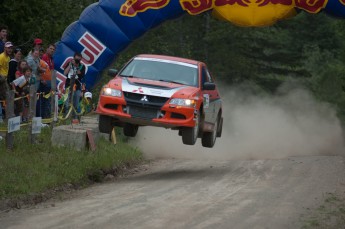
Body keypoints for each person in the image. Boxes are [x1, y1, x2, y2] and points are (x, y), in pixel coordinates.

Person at [63, 52, 85, 120]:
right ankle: (66, 118)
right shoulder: (69, 64)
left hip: (77, 86)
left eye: (78, 59)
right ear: (73, 58)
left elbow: (81, 75)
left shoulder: (82, 66)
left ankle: (75, 119)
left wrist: (77, 66)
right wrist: (70, 65)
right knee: (67, 103)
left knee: (76, 104)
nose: (76, 61)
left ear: (80, 59)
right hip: (68, 85)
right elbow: (65, 73)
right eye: (76, 59)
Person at [0, 41, 13, 121]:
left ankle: (6, 116)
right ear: (5, 48)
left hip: (5, 79)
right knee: (7, 96)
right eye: (8, 48)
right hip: (1, 78)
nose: (10, 49)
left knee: (6, 98)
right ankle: (6, 116)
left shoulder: (8, 58)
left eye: (11, 48)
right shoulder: (1, 57)